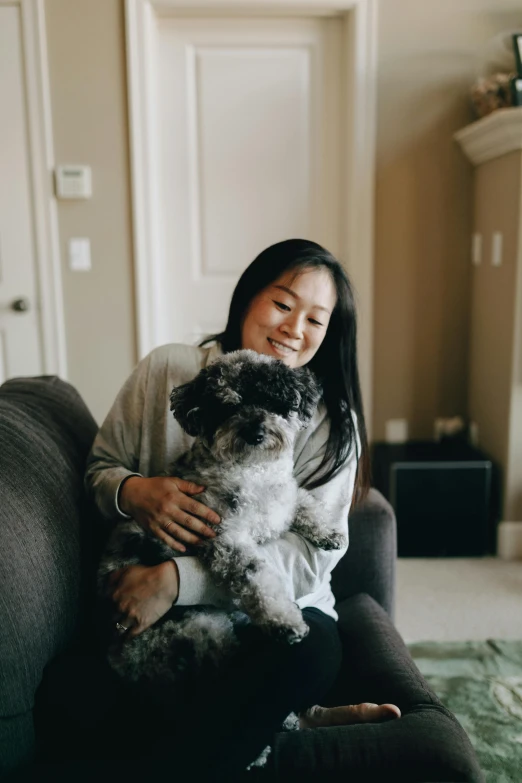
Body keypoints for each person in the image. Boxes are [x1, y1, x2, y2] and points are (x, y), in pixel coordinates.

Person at [84, 238, 400, 781]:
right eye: (282, 303)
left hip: (277, 600)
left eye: (316, 320)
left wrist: (175, 582)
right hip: (153, 601)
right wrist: (134, 491)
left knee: (308, 650)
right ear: (248, 298)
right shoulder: (169, 370)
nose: (294, 328)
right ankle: (292, 725)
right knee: (108, 681)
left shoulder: (328, 418)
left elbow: (311, 560)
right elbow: (100, 469)